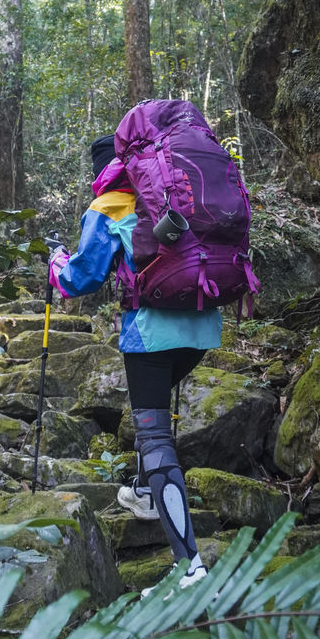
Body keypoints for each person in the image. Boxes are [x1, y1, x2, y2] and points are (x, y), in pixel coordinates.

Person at [49, 134, 222, 592]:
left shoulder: (109, 203)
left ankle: (190, 567)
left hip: (149, 334)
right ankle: (146, 494)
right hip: (202, 327)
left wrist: (56, 262)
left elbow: (80, 278)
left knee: (153, 435)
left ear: (99, 170)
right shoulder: (178, 191)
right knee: (157, 412)